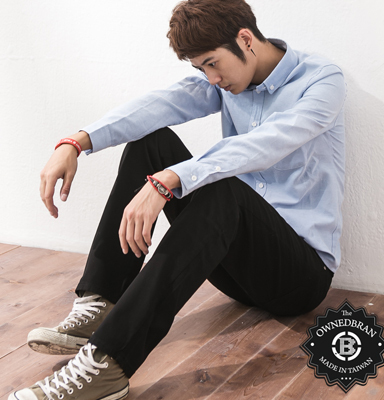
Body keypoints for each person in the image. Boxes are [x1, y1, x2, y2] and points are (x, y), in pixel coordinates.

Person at [9, 0, 346, 399]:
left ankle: (107, 364)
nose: (212, 78)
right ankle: (101, 302)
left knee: (222, 186)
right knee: (150, 143)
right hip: (235, 267)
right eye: (201, 69)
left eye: (213, 63)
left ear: (245, 40)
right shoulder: (224, 81)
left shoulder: (320, 80)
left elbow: (266, 144)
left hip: (298, 277)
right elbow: (161, 104)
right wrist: (76, 142)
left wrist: (170, 180)